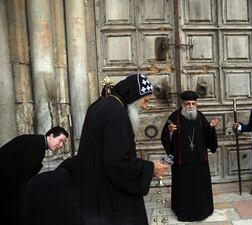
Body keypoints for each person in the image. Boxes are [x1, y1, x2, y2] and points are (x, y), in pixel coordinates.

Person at [20, 73, 168, 225]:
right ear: (134, 95)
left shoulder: (99, 105)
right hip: (111, 195)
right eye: (145, 100)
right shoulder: (118, 114)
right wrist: (150, 168)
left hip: (94, 187)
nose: (146, 106)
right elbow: (117, 162)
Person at [161, 90, 219, 222]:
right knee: (184, 188)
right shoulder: (174, 117)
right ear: (183, 104)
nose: (191, 106)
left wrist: (210, 127)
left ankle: (203, 210)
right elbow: (165, 137)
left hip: (199, 161)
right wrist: (170, 132)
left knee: (200, 186)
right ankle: (183, 211)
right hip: (182, 163)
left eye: (193, 103)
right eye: (188, 103)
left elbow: (207, 136)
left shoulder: (200, 117)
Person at [0, 126, 69, 225]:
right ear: (51, 136)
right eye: (60, 140)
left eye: (63, 143)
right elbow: (25, 177)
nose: (61, 145)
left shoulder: (36, 142)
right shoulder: (37, 147)